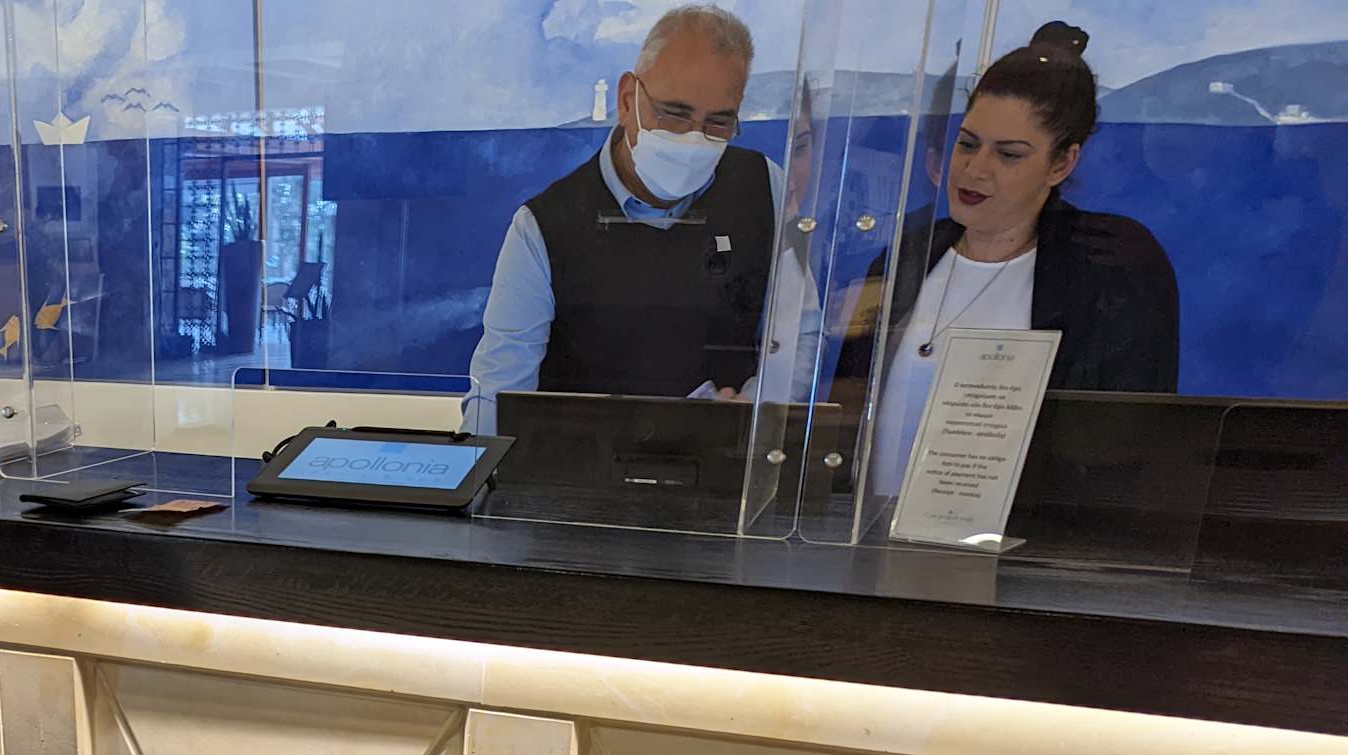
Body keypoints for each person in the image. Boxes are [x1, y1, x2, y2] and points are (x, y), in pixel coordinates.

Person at [841, 22, 1180, 498]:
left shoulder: (1111, 266)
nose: (976, 169)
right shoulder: (906, 256)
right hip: (874, 536)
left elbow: (1122, 452)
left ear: (1061, 163)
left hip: (1029, 539)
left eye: (1009, 154)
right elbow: (844, 418)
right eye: (967, 143)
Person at [463, 5, 783, 433]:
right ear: (628, 99)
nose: (694, 138)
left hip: (724, 461)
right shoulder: (543, 227)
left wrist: (755, 405)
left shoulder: (764, 187)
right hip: (579, 463)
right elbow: (499, 390)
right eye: (675, 113)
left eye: (718, 122)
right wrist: (480, 469)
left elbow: (797, 337)